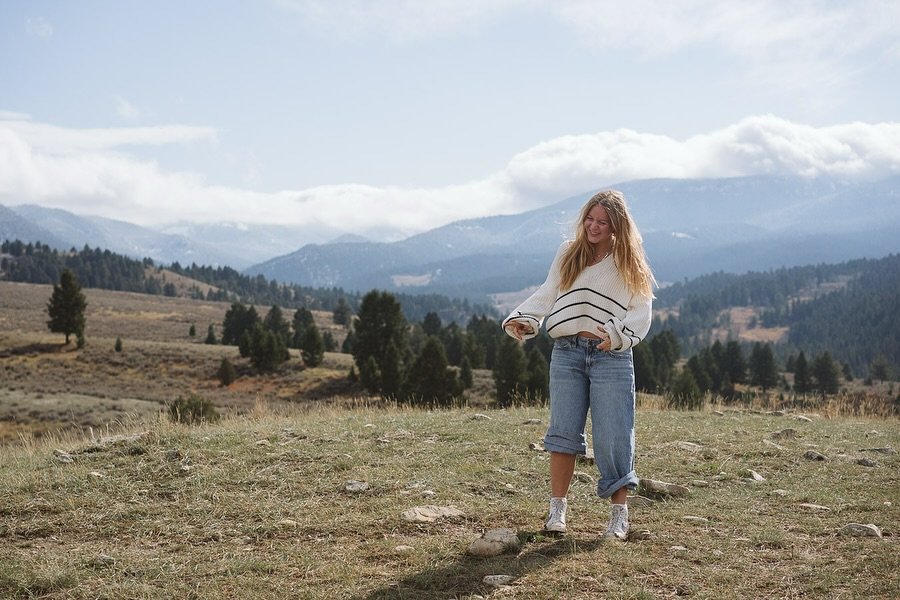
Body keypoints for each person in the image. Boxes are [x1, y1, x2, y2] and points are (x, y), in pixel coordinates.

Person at [502, 189, 655, 542]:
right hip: (567, 353)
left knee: (614, 435)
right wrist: (525, 319)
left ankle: (619, 516)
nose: (594, 226)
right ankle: (557, 509)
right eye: (590, 218)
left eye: (603, 221)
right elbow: (549, 291)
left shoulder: (629, 259)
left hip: (611, 356)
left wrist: (617, 336)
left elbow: (642, 309)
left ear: (617, 225)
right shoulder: (569, 253)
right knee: (562, 432)